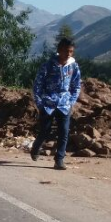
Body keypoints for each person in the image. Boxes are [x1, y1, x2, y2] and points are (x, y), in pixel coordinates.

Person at [30, 38, 82, 170]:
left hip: (64, 104)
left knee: (64, 132)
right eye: (66, 51)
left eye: (71, 51)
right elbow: (37, 85)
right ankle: (36, 147)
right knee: (45, 131)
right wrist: (40, 102)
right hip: (48, 103)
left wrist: (71, 101)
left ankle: (59, 160)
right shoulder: (48, 65)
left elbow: (76, 85)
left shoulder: (73, 66)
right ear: (59, 50)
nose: (68, 54)